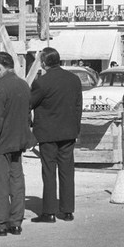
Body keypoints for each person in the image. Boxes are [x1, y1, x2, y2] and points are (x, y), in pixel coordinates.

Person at [0, 51, 35, 237]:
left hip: (1, 145)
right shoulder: (23, 85)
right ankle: (15, 222)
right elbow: (27, 115)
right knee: (17, 183)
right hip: (17, 143)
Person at [28, 47, 83, 223]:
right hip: (68, 132)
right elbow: (78, 106)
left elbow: (29, 103)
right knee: (67, 171)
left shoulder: (42, 82)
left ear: (44, 63)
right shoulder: (74, 80)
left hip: (47, 134)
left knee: (49, 171)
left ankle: (49, 212)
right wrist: (76, 129)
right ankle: (67, 211)